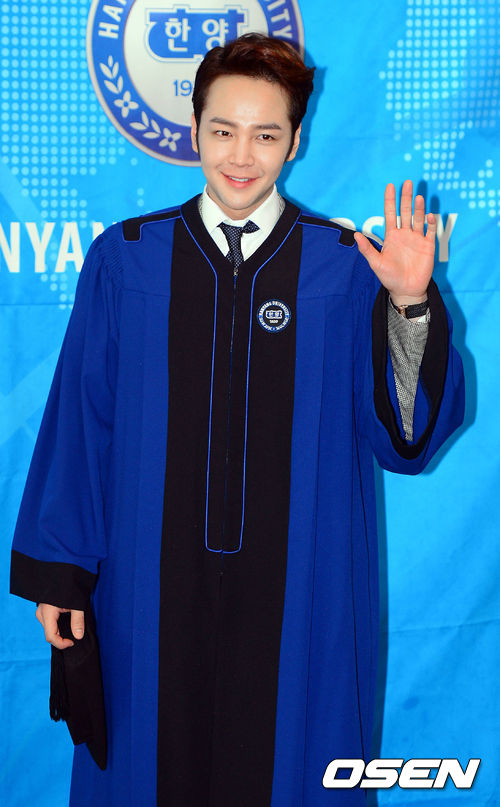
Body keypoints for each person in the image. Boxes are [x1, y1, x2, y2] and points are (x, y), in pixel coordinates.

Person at [10, 32, 464, 807]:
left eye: (266, 134)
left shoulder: (345, 268)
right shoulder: (127, 260)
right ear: (194, 129)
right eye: (223, 130)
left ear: (296, 139)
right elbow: (82, 424)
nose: (241, 156)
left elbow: (405, 436)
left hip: (301, 590)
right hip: (148, 589)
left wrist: (410, 303)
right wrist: (62, 575)